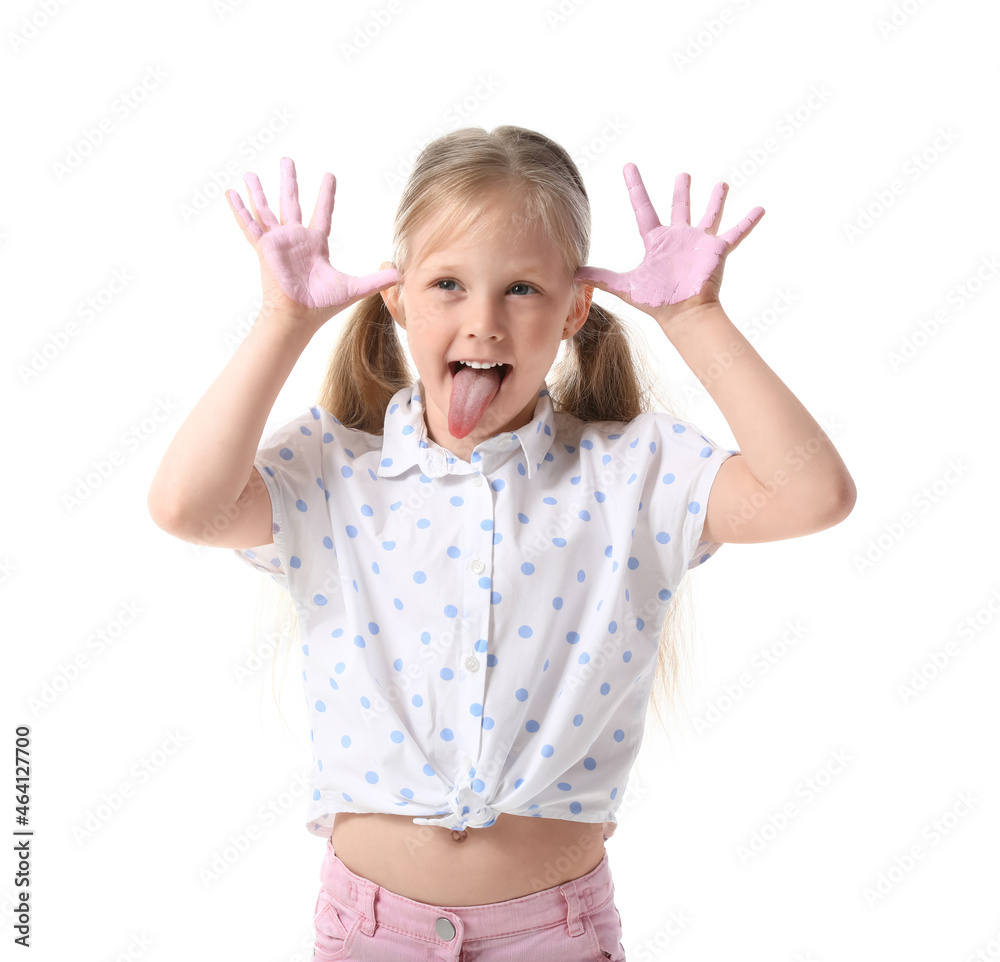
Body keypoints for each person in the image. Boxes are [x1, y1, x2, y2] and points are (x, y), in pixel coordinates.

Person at [148, 125, 856, 961]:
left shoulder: (632, 473)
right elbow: (184, 506)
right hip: (370, 930)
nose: (483, 322)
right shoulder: (334, 472)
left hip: (550, 935)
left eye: (521, 288)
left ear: (574, 311)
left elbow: (813, 492)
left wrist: (694, 317)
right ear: (396, 297)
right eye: (448, 283)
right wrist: (283, 321)